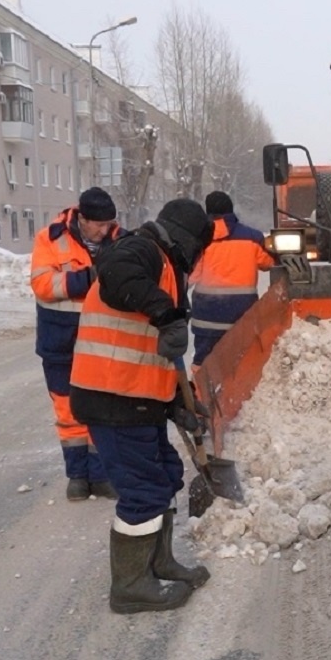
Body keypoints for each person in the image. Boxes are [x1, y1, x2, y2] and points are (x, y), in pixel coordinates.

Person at [69, 198, 214, 614]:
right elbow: (115, 274)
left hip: (138, 399)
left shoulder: (167, 267)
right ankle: (130, 587)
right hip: (112, 398)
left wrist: (176, 402)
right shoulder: (142, 250)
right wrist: (166, 315)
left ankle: (159, 562)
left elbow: (152, 351)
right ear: (188, 240)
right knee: (143, 490)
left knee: (165, 475)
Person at [30, 186, 122, 502]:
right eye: (98, 224)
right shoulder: (50, 238)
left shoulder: (119, 238)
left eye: (109, 223)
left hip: (100, 340)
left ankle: (100, 476)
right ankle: (77, 477)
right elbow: (43, 285)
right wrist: (89, 277)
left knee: (100, 408)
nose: (104, 230)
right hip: (59, 339)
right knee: (67, 409)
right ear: (81, 218)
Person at [187, 190, 275, 377]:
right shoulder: (252, 238)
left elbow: (191, 277)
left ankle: (201, 397)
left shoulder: (200, 240)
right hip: (241, 316)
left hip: (206, 318)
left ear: (207, 212)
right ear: (231, 210)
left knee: (202, 361)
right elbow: (269, 263)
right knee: (242, 359)